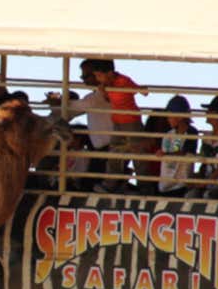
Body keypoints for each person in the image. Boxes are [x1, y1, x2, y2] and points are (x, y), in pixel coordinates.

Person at [45, 59, 113, 188]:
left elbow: (73, 109)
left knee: (92, 183)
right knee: (92, 181)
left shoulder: (99, 96)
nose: (83, 80)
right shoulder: (97, 96)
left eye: (86, 76)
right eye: (82, 76)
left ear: (99, 74)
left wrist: (58, 104)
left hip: (108, 148)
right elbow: (72, 111)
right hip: (102, 148)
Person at [91, 59, 147, 193]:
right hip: (118, 122)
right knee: (114, 153)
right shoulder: (107, 84)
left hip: (131, 122)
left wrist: (142, 89)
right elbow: (109, 99)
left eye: (99, 75)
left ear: (109, 73)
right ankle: (110, 184)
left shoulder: (124, 81)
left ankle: (145, 187)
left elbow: (141, 91)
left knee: (138, 156)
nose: (97, 79)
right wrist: (104, 91)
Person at [187, 95, 218, 199]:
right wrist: (198, 179)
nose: (206, 113)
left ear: (217, 114)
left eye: (210, 110)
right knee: (190, 195)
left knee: (208, 196)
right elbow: (203, 164)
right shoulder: (206, 136)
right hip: (208, 181)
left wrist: (208, 181)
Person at [155, 95, 199, 197]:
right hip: (165, 185)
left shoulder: (191, 132)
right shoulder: (169, 134)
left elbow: (184, 152)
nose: (168, 119)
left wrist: (166, 154)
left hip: (180, 186)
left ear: (179, 116)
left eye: (170, 115)